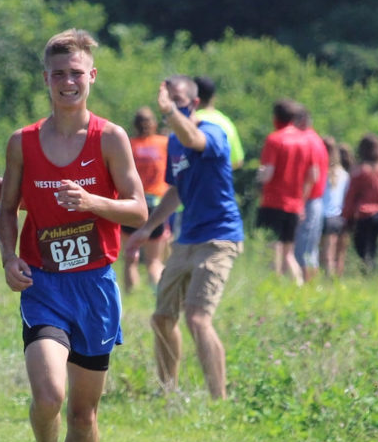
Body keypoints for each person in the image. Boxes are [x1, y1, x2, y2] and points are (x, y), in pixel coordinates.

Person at [0, 29, 147, 442]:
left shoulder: (110, 138)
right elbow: (6, 210)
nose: (67, 82)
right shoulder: (23, 141)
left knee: (84, 414)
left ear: (91, 77)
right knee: (49, 394)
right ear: (46, 79)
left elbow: (139, 208)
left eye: (76, 73)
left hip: (96, 287)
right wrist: (9, 257)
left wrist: (91, 202)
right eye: (58, 73)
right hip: (45, 285)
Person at [125, 75, 243, 400]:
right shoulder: (174, 142)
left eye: (177, 101)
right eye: (167, 101)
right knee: (162, 318)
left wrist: (169, 111)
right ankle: (168, 393)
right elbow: (176, 190)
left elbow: (195, 140)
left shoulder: (211, 131)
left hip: (218, 238)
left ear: (193, 103)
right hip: (186, 239)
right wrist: (147, 230)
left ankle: (219, 400)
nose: (169, 107)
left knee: (197, 318)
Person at [256, 100, 316, 285]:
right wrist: (301, 200)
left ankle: (273, 286)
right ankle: (298, 286)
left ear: (276, 118)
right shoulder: (306, 141)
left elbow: (268, 174)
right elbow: (313, 175)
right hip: (295, 204)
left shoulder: (274, 139)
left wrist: (258, 177)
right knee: (288, 253)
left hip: (273, 202)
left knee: (272, 248)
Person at [121, 106, 170, 292]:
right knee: (154, 260)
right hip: (156, 205)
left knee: (130, 257)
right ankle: (157, 296)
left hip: (131, 204)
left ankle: (130, 298)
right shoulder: (163, 143)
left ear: (134, 125)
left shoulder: (128, 145)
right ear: (154, 124)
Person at [342, 133, 378, 271]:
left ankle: (368, 272)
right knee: (374, 247)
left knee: (362, 248)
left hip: (364, 214)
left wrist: (346, 216)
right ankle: (372, 272)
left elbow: (351, 196)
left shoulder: (360, 171)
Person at [292, 109, 329, 282]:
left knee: (303, 249)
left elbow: (312, 175)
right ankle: (311, 288)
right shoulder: (316, 139)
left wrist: (300, 203)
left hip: (308, 201)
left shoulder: (307, 140)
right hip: (315, 201)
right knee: (310, 249)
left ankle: (306, 287)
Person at [194, 76, 244, 169]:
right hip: (221, 181)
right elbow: (238, 161)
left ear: (193, 98)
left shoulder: (191, 121)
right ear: (213, 97)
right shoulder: (226, 122)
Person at [320, 136, 350, 278]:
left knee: (323, 254)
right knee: (332, 254)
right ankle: (333, 280)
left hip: (322, 216)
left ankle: (327, 282)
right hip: (337, 217)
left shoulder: (320, 171)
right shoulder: (343, 173)